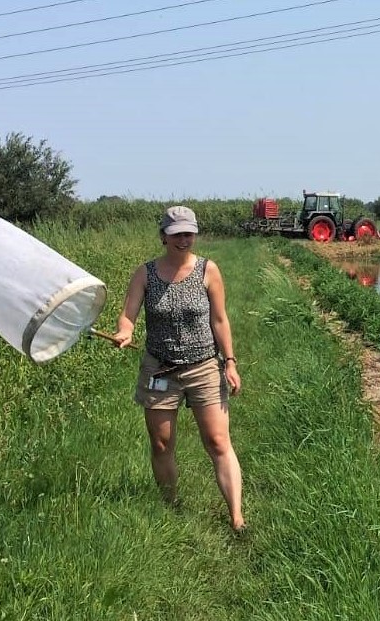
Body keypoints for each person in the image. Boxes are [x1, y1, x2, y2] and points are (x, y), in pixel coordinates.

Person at [112, 205, 245, 532]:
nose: (183, 239)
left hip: (203, 367)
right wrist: (125, 332)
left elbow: (219, 319)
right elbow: (128, 314)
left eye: (188, 233)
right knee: (161, 443)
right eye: (176, 234)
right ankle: (170, 509)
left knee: (217, 441)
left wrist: (229, 361)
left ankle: (237, 518)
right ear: (163, 236)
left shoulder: (208, 270)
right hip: (160, 369)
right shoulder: (145, 273)